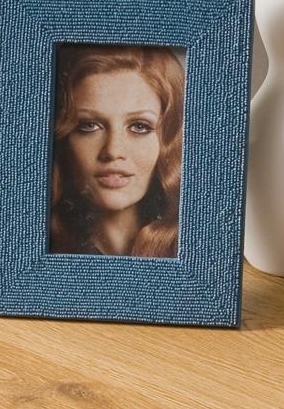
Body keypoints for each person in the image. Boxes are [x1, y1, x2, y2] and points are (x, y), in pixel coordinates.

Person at [48, 44, 184, 257]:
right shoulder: (39, 248)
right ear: (64, 136)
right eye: (89, 126)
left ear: (170, 138)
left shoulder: (195, 248)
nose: (113, 151)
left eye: (140, 126)